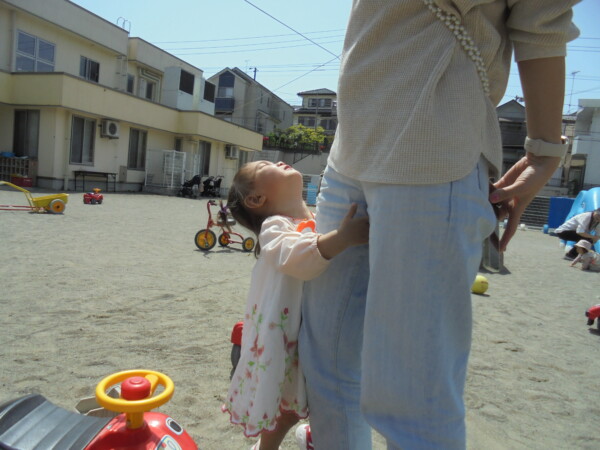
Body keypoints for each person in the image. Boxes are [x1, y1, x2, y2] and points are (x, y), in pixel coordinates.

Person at [298, 1, 580, 449]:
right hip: (350, 147)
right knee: (327, 367)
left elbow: (541, 16)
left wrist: (545, 150)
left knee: (414, 403)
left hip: (435, 144)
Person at [222, 160, 369, 450]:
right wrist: (342, 238)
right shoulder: (275, 227)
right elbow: (295, 257)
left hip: (306, 328)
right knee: (284, 407)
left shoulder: (316, 218)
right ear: (256, 198)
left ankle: (316, 436)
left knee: (312, 394)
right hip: (282, 337)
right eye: (264, 165)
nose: (278, 160)